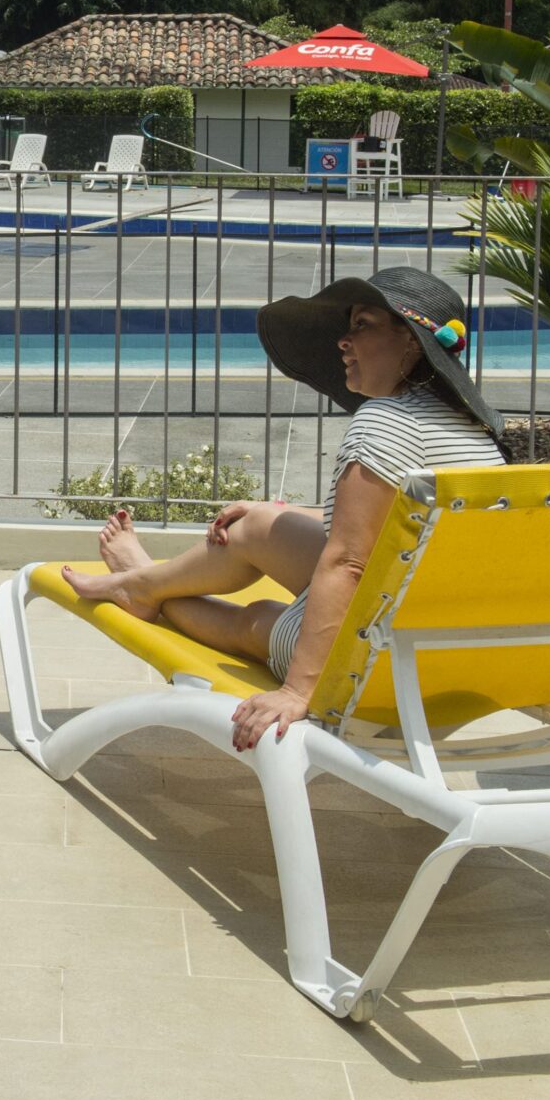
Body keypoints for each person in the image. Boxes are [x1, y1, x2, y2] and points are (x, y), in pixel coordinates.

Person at [63, 267, 504, 752]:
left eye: (362, 325)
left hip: (379, 655)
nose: (343, 341)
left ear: (413, 343)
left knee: (256, 617)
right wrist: (272, 510)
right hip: (439, 630)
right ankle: (144, 582)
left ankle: (143, 586)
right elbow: (393, 530)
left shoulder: (383, 422)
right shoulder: (466, 429)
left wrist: (299, 690)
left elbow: (351, 563)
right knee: (259, 524)